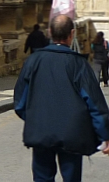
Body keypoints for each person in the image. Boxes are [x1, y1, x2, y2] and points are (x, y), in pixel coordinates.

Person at [14, 14, 109, 182]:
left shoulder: (33, 61)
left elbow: (20, 101)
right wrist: (105, 135)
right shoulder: (79, 64)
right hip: (72, 133)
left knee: (42, 178)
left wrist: (35, 118)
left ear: (49, 32)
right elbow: (94, 103)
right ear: (72, 34)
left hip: (41, 131)